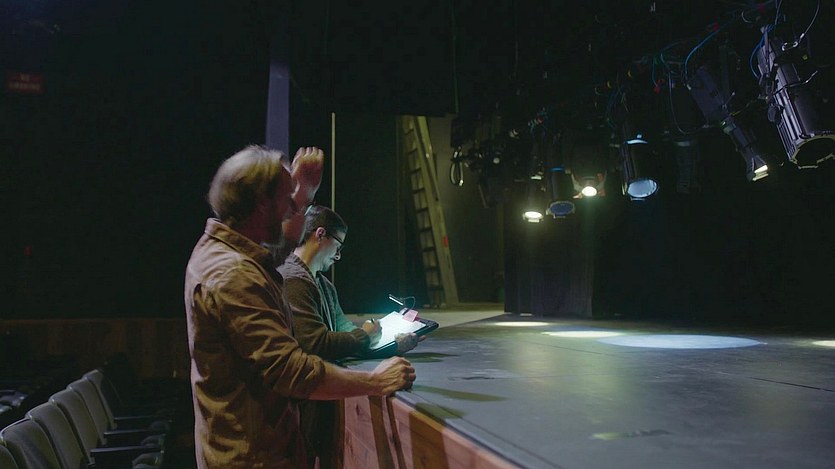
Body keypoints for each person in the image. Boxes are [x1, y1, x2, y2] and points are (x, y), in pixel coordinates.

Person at [184, 145, 416, 469]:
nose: (293, 212)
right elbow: (292, 372)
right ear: (262, 205)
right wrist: (376, 382)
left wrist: (303, 194)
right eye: (287, 201)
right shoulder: (233, 275)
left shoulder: (225, 251)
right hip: (253, 459)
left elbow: (281, 252)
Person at [278, 205, 421, 467]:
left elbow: (344, 331)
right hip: (300, 409)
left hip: (318, 406)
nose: (338, 255)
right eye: (338, 245)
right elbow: (315, 342)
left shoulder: (323, 284)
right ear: (320, 234)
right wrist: (364, 335)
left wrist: (392, 345)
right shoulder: (294, 280)